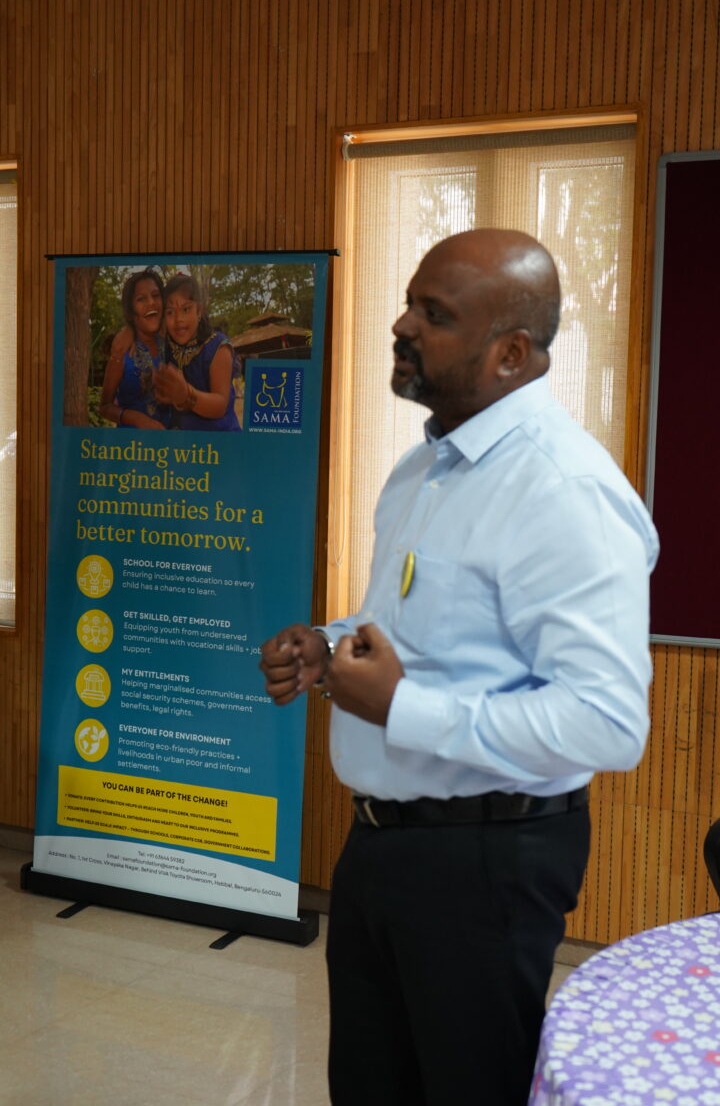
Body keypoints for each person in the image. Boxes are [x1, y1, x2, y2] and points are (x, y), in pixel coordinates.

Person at [259, 229, 659, 1106]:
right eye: (409, 302)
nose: (401, 325)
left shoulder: (563, 491)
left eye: (433, 315)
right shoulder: (423, 469)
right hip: (380, 845)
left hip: (485, 863)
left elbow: (608, 723)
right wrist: (328, 644)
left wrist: (403, 707)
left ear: (511, 353)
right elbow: (418, 626)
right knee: (369, 1086)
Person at [154, 272, 241, 431]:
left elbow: (220, 405)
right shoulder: (166, 346)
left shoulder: (218, 347)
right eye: (170, 312)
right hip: (183, 443)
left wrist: (186, 395)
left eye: (186, 309)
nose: (178, 319)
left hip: (219, 440)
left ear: (199, 310)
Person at [99, 267, 170, 429]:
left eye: (155, 295)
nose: (151, 302)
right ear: (131, 312)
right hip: (132, 443)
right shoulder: (122, 350)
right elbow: (104, 407)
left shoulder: (172, 344)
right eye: (141, 299)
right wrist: (135, 419)